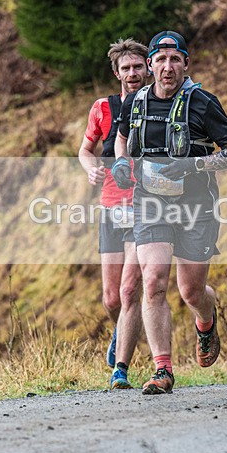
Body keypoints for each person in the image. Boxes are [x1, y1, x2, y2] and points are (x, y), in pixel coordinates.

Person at [112, 30, 227, 395]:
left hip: (197, 206)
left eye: (175, 60)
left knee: (191, 292)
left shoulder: (202, 102)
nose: (167, 67)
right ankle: (163, 369)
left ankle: (207, 318)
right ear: (151, 63)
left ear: (186, 63)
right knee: (153, 280)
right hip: (149, 202)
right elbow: (122, 136)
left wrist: (194, 165)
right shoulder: (135, 101)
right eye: (161, 60)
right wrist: (122, 163)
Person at [77, 38, 148, 389]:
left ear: (147, 68)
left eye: (138, 66)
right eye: (126, 68)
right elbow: (85, 149)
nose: (132, 73)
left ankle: (121, 367)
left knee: (130, 290)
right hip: (110, 206)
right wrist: (90, 168)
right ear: (116, 72)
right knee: (110, 298)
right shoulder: (103, 108)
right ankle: (122, 330)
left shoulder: (158, 104)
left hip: (145, 206)